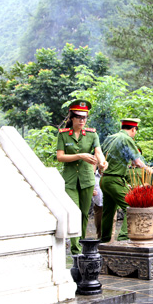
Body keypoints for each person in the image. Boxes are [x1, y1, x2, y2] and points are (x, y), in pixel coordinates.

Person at [56, 100, 107, 255]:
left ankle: (82, 243)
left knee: (84, 214)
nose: (82, 120)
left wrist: (102, 161)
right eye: (78, 117)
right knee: (74, 212)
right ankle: (75, 249)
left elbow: (98, 151)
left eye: (84, 117)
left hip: (87, 179)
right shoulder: (64, 135)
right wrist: (80, 155)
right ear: (72, 117)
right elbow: (60, 157)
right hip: (70, 180)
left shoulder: (92, 134)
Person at [100, 118, 150, 243]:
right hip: (115, 179)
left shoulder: (110, 138)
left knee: (108, 211)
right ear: (133, 129)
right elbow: (137, 161)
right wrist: (147, 168)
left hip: (104, 179)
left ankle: (104, 241)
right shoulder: (127, 139)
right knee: (132, 206)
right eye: (135, 131)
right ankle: (123, 238)